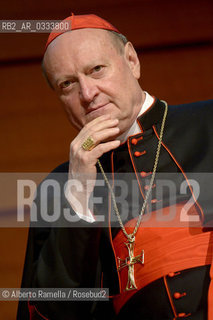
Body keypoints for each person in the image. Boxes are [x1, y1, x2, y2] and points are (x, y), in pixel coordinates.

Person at [17, 13, 213, 320]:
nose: (87, 93)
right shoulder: (57, 188)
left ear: (132, 61)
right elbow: (47, 312)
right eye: (68, 84)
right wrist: (79, 190)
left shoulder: (207, 122)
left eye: (96, 70)